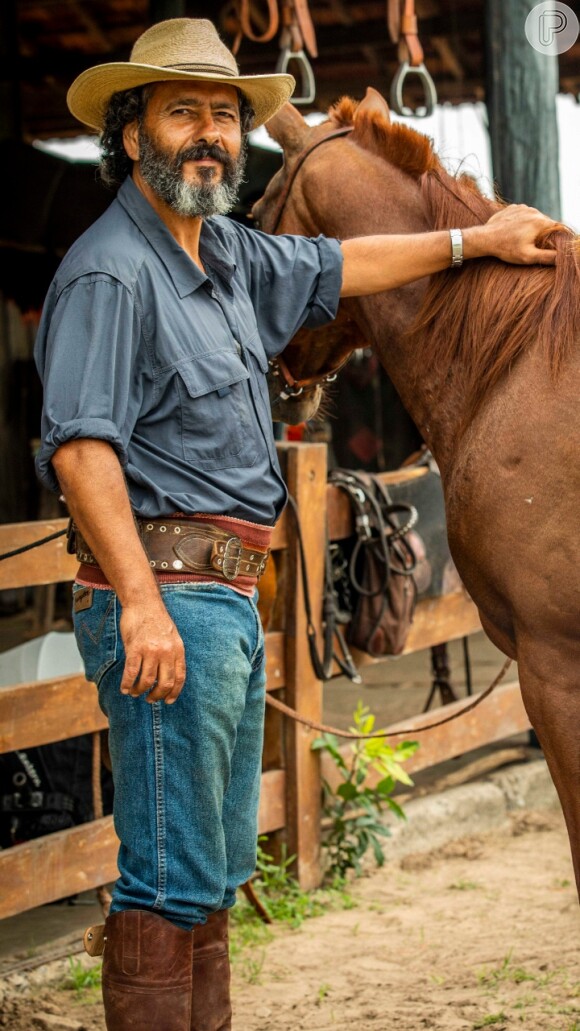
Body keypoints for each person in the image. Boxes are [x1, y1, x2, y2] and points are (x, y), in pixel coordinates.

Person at [34, 17, 557, 1031]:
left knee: (217, 870)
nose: (209, 134)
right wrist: (139, 602)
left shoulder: (225, 251)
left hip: (227, 602)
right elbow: (81, 448)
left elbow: (344, 267)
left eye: (225, 116)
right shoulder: (111, 270)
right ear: (130, 130)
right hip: (168, 601)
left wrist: (474, 239)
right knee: (167, 879)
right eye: (182, 111)